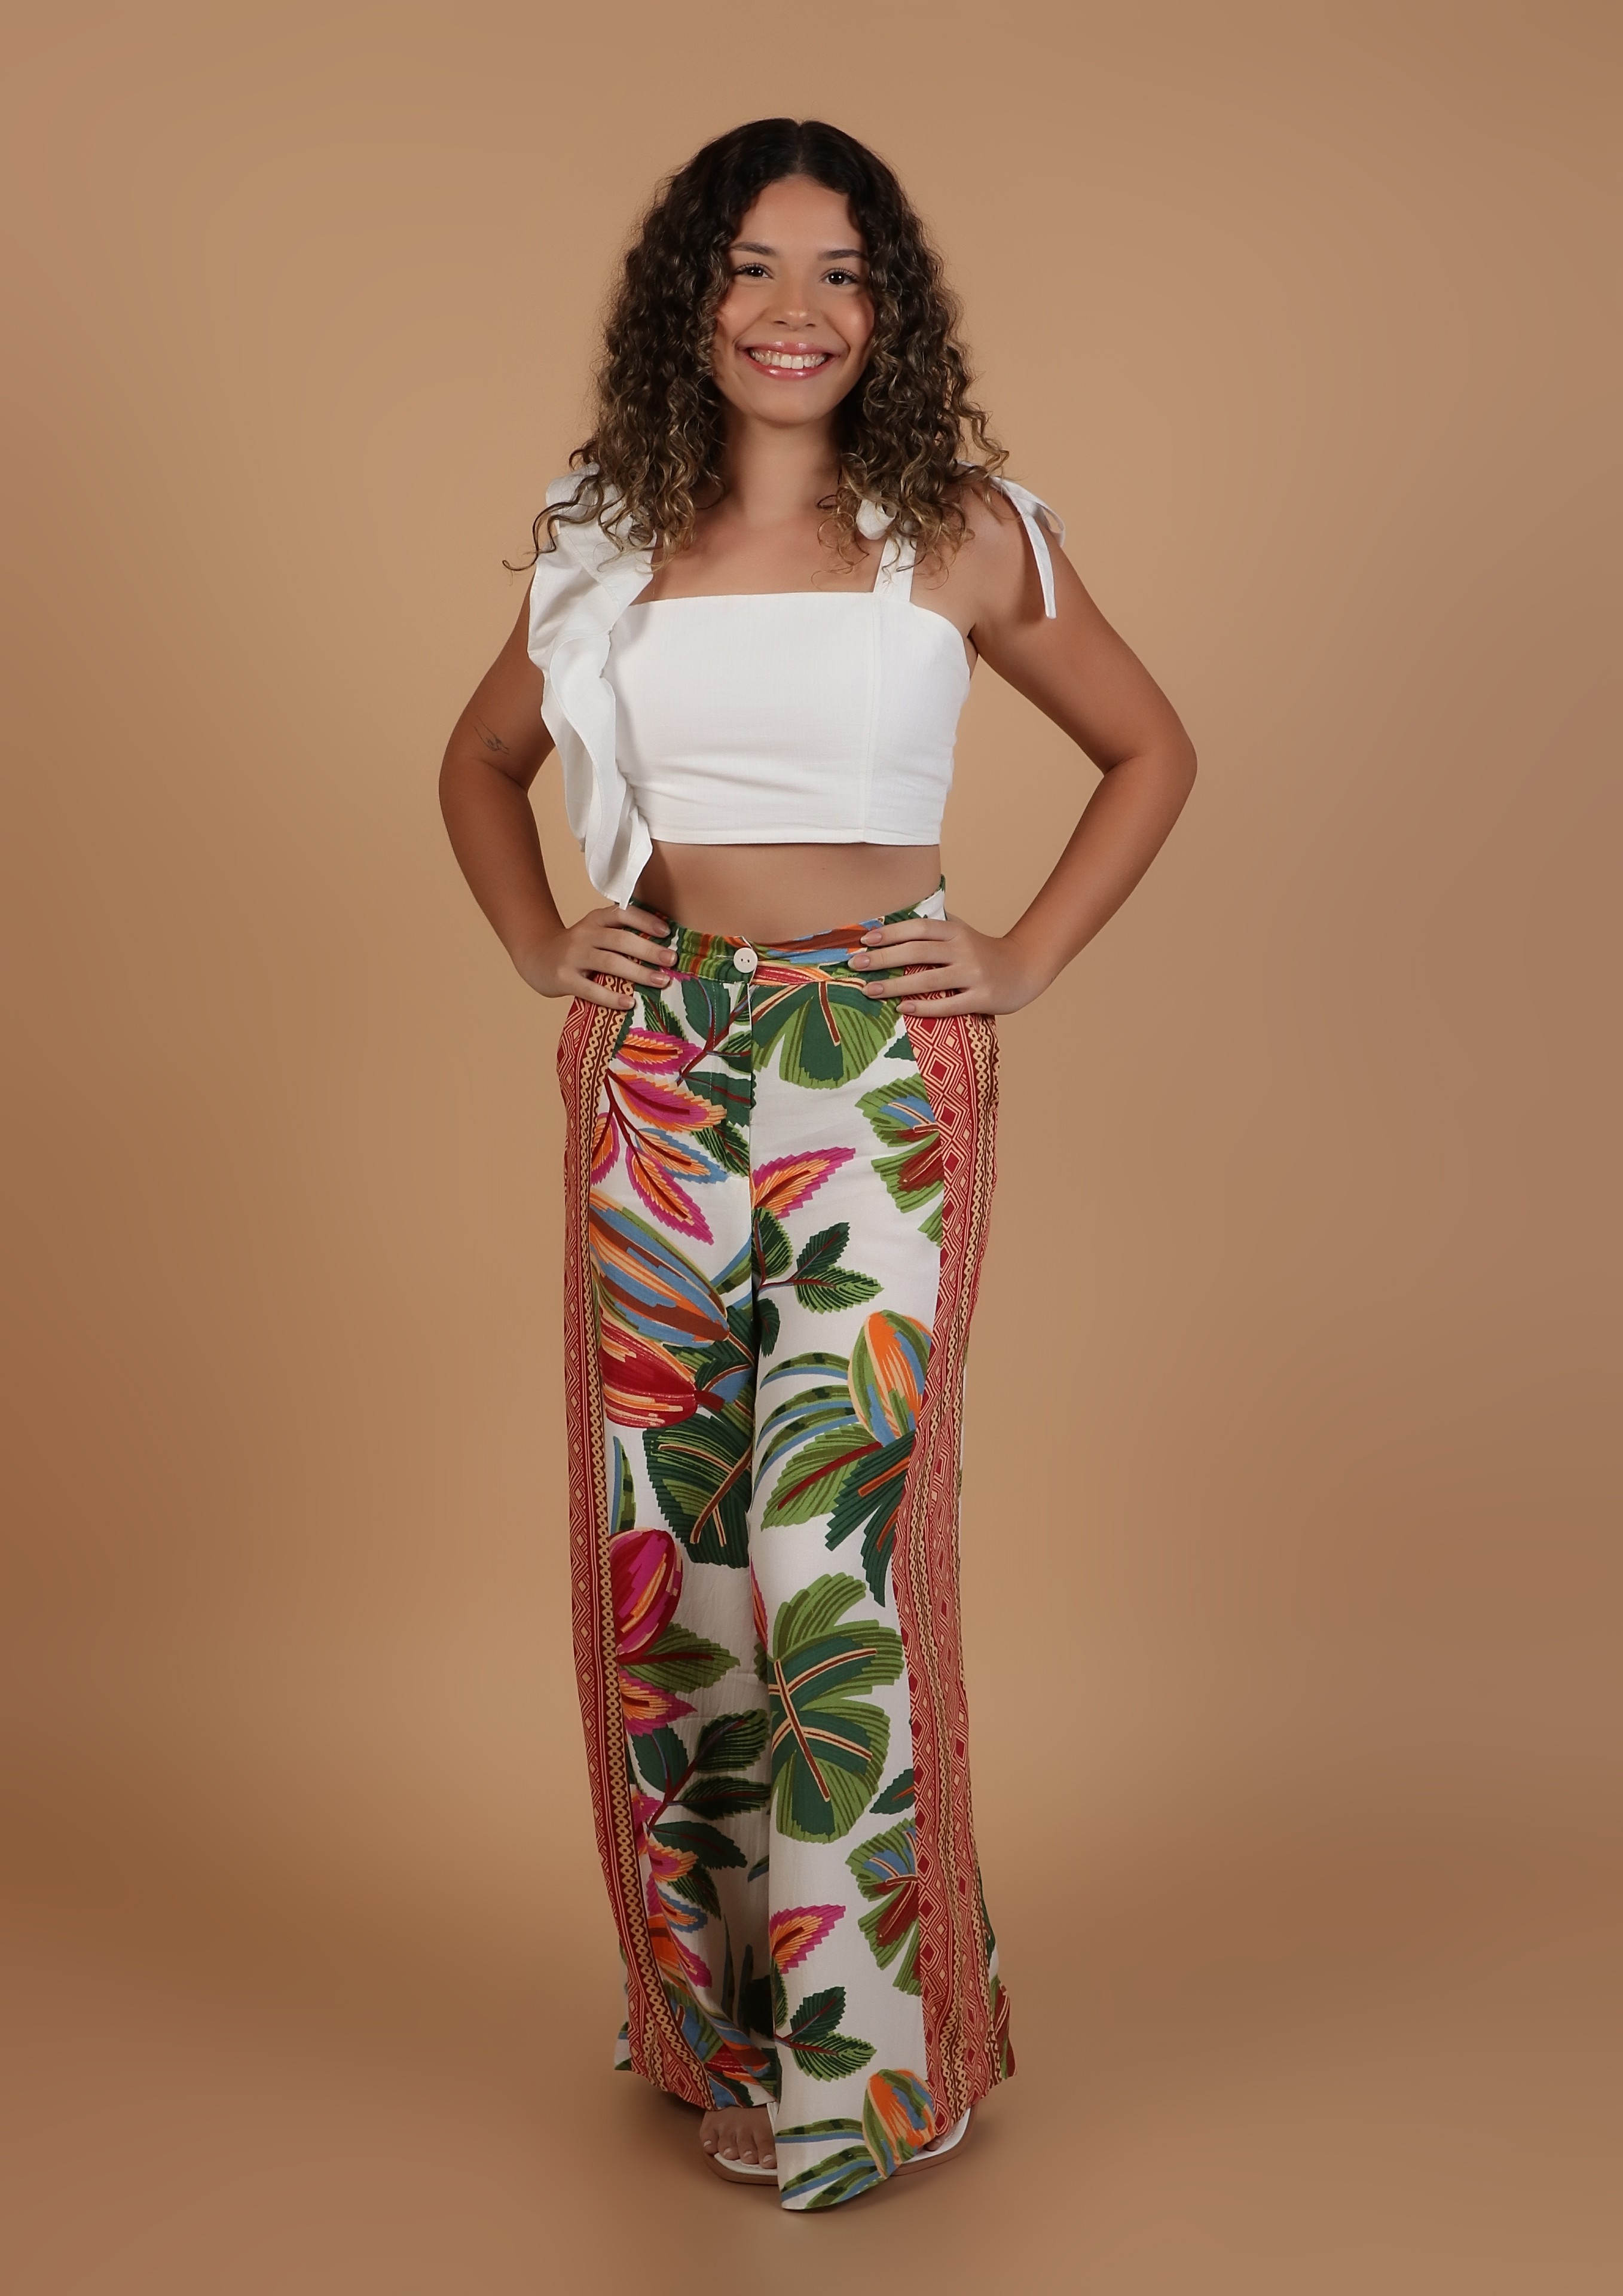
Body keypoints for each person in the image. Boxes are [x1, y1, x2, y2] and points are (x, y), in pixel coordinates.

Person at [440, 117, 1195, 2210]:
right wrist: (540, 940)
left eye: (843, 272)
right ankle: (719, 2036)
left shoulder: (956, 527)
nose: (797, 312)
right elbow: (481, 761)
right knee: (671, 1565)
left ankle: (881, 2067)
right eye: (755, 267)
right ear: (690, 299)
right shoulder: (606, 533)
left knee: (826, 1559)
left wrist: (1022, 955)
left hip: (875, 1065)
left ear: (891, 310)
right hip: (659, 1063)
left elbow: (1150, 747)